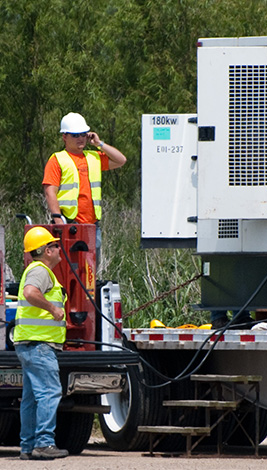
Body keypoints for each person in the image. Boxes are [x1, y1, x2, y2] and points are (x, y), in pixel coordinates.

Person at [14, 226, 69, 460]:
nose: (59, 249)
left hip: (28, 343)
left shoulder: (35, 269)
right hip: (39, 345)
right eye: (56, 245)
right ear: (47, 250)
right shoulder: (40, 271)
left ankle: (27, 446)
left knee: (31, 397)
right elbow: (30, 293)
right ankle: (44, 443)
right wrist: (53, 308)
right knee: (49, 392)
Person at [42, 112, 127, 259]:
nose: (80, 138)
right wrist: (58, 220)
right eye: (75, 135)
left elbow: (121, 160)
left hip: (92, 226)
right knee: (70, 267)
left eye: (83, 134)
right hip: (69, 223)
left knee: (90, 271)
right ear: (64, 137)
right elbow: (50, 192)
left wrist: (99, 144)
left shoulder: (93, 157)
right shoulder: (57, 159)